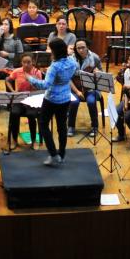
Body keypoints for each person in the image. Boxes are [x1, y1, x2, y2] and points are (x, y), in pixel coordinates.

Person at [28, 37, 78, 166]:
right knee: (62, 127)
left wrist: (31, 79)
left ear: (55, 51)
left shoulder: (54, 67)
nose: (49, 51)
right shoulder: (72, 61)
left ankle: (52, 153)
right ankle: (61, 154)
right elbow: (69, 74)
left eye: (51, 49)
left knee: (43, 124)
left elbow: (45, 85)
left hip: (51, 99)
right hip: (66, 98)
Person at [6, 53, 43, 147]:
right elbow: (7, 80)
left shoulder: (37, 72)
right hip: (19, 99)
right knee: (14, 113)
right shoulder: (17, 71)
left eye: (29, 62)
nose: (26, 64)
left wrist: (33, 81)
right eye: (24, 62)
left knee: (31, 115)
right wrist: (13, 91)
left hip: (32, 100)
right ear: (21, 62)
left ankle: (34, 140)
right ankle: (14, 140)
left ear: (33, 62)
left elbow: (41, 88)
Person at [68, 39, 102, 138]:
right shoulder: (70, 59)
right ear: (75, 49)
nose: (81, 50)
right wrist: (77, 92)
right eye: (78, 48)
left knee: (91, 102)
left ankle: (94, 127)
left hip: (91, 88)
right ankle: (70, 126)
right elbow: (68, 79)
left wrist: (98, 72)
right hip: (75, 88)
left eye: (83, 47)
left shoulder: (94, 57)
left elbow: (102, 74)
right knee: (74, 102)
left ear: (87, 47)